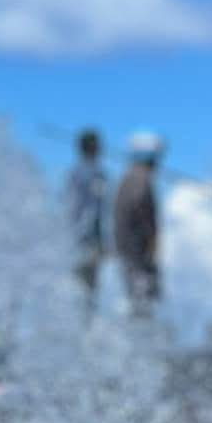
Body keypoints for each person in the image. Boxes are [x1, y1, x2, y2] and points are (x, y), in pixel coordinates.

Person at [111, 131, 163, 316]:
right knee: (142, 290)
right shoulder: (141, 178)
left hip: (127, 245)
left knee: (136, 289)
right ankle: (142, 325)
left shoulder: (129, 176)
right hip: (136, 247)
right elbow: (139, 205)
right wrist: (150, 236)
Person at [64, 128, 107, 314]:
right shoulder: (94, 174)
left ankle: (82, 321)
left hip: (76, 240)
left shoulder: (74, 173)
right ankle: (85, 323)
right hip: (88, 241)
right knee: (88, 289)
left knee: (82, 289)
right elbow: (94, 211)